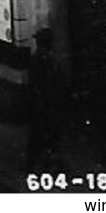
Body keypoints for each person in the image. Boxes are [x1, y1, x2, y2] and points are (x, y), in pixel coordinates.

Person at [24, 28, 65, 170]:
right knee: (50, 136)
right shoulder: (51, 60)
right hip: (49, 104)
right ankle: (50, 165)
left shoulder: (37, 58)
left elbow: (33, 82)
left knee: (38, 136)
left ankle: (34, 164)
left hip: (40, 104)